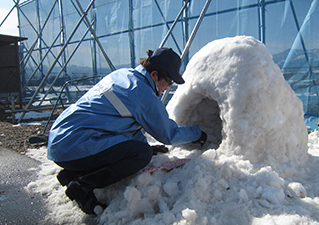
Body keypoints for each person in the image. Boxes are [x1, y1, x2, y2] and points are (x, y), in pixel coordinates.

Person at [47, 47, 207, 215]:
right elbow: (169, 134)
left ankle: (71, 172)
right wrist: (198, 133)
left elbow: (123, 123)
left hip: (61, 141)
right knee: (140, 155)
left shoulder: (123, 75)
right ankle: (82, 186)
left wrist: (145, 145)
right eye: (168, 81)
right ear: (154, 75)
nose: (168, 86)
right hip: (75, 146)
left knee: (142, 149)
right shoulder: (142, 94)